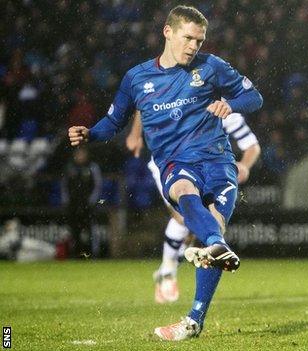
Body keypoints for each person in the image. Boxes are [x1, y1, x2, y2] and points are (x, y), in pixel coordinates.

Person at [68, 5, 263, 341]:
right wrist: (90, 133)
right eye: (188, 38)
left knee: (212, 228)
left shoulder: (211, 67)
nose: (193, 46)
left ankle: (194, 320)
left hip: (218, 161)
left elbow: (254, 97)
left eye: (199, 41)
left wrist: (231, 104)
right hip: (175, 162)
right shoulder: (137, 78)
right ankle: (215, 245)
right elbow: (114, 121)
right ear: (168, 32)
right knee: (185, 192)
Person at [125, 109, 261, 304]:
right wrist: (136, 134)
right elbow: (143, 101)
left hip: (209, 169)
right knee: (184, 216)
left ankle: (169, 269)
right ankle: (168, 271)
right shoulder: (183, 99)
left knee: (199, 224)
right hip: (168, 164)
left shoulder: (225, 113)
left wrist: (245, 165)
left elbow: (252, 146)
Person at [61, 147, 102, 258]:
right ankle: (76, 253)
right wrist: (66, 200)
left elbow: (97, 185)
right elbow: (64, 185)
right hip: (74, 204)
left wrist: (92, 200)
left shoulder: (92, 167)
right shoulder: (70, 168)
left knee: (90, 230)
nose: (80, 157)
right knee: (74, 230)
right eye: (78, 155)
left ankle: (92, 254)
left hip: (88, 205)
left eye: (82, 154)